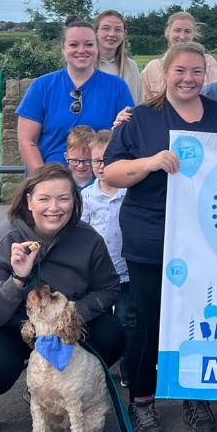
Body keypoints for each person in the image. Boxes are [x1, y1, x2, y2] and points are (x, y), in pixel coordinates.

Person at [102, 42, 217, 432]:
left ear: (206, 75)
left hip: (209, 240)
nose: (188, 78)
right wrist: (149, 163)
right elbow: (112, 172)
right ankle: (143, 401)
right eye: (180, 70)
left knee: (200, 318)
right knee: (149, 321)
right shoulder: (141, 119)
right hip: (152, 233)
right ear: (165, 72)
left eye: (196, 71)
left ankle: (194, 395)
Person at [0, 164, 125, 432]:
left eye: (63, 198)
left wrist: (70, 314)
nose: (54, 208)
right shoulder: (2, 238)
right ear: (28, 200)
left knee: (112, 334)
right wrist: (17, 280)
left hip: (62, 329)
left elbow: (108, 288)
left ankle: (52, 388)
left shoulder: (88, 239)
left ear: (75, 201)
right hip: (7, 327)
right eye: (44, 199)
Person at [16, 17, 135, 170]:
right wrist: (42, 180)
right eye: (73, 44)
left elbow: (126, 138)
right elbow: (27, 141)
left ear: (97, 48)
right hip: (51, 182)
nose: (81, 50)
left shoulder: (117, 87)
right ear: (63, 48)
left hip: (100, 185)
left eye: (89, 44)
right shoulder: (41, 86)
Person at [82, 129, 134, 387]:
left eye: (107, 160)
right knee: (97, 320)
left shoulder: (131, 194)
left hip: (126, 273)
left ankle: (128, 368)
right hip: (98, 275)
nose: (101, 167)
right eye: (96, 161)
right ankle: (97, 365)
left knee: (127, 319)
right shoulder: (86, 198)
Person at [142, 11, 217, 98]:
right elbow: (144, 102)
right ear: (168, 32)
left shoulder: (209, 63)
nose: (182, 36)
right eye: (177, 30)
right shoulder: (152, 68)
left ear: (194, 34)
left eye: (187, 31)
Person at [94, 10, 144, 103]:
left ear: (124, 34)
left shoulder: (131, 66)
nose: (112, 34)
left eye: (118, 29)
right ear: (96, 32)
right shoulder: (86, 66)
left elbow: (139, 102)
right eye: (106, 28)